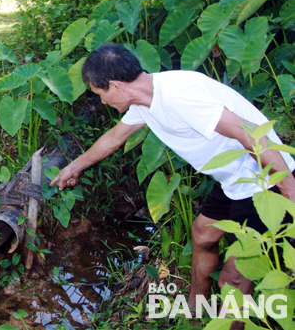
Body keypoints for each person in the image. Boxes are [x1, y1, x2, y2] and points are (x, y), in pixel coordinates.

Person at [50, 43, 295, 306]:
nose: (102, 101)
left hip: (263, 181)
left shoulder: (179, 95)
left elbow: (249, 134)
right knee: (202, 234)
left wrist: (290, 190)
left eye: (99, 93)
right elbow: (113, 138)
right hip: (234, 179)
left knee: (234, 281)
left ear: (117, 86)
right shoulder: (146, 100)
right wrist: (72, 168)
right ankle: (194, 310)